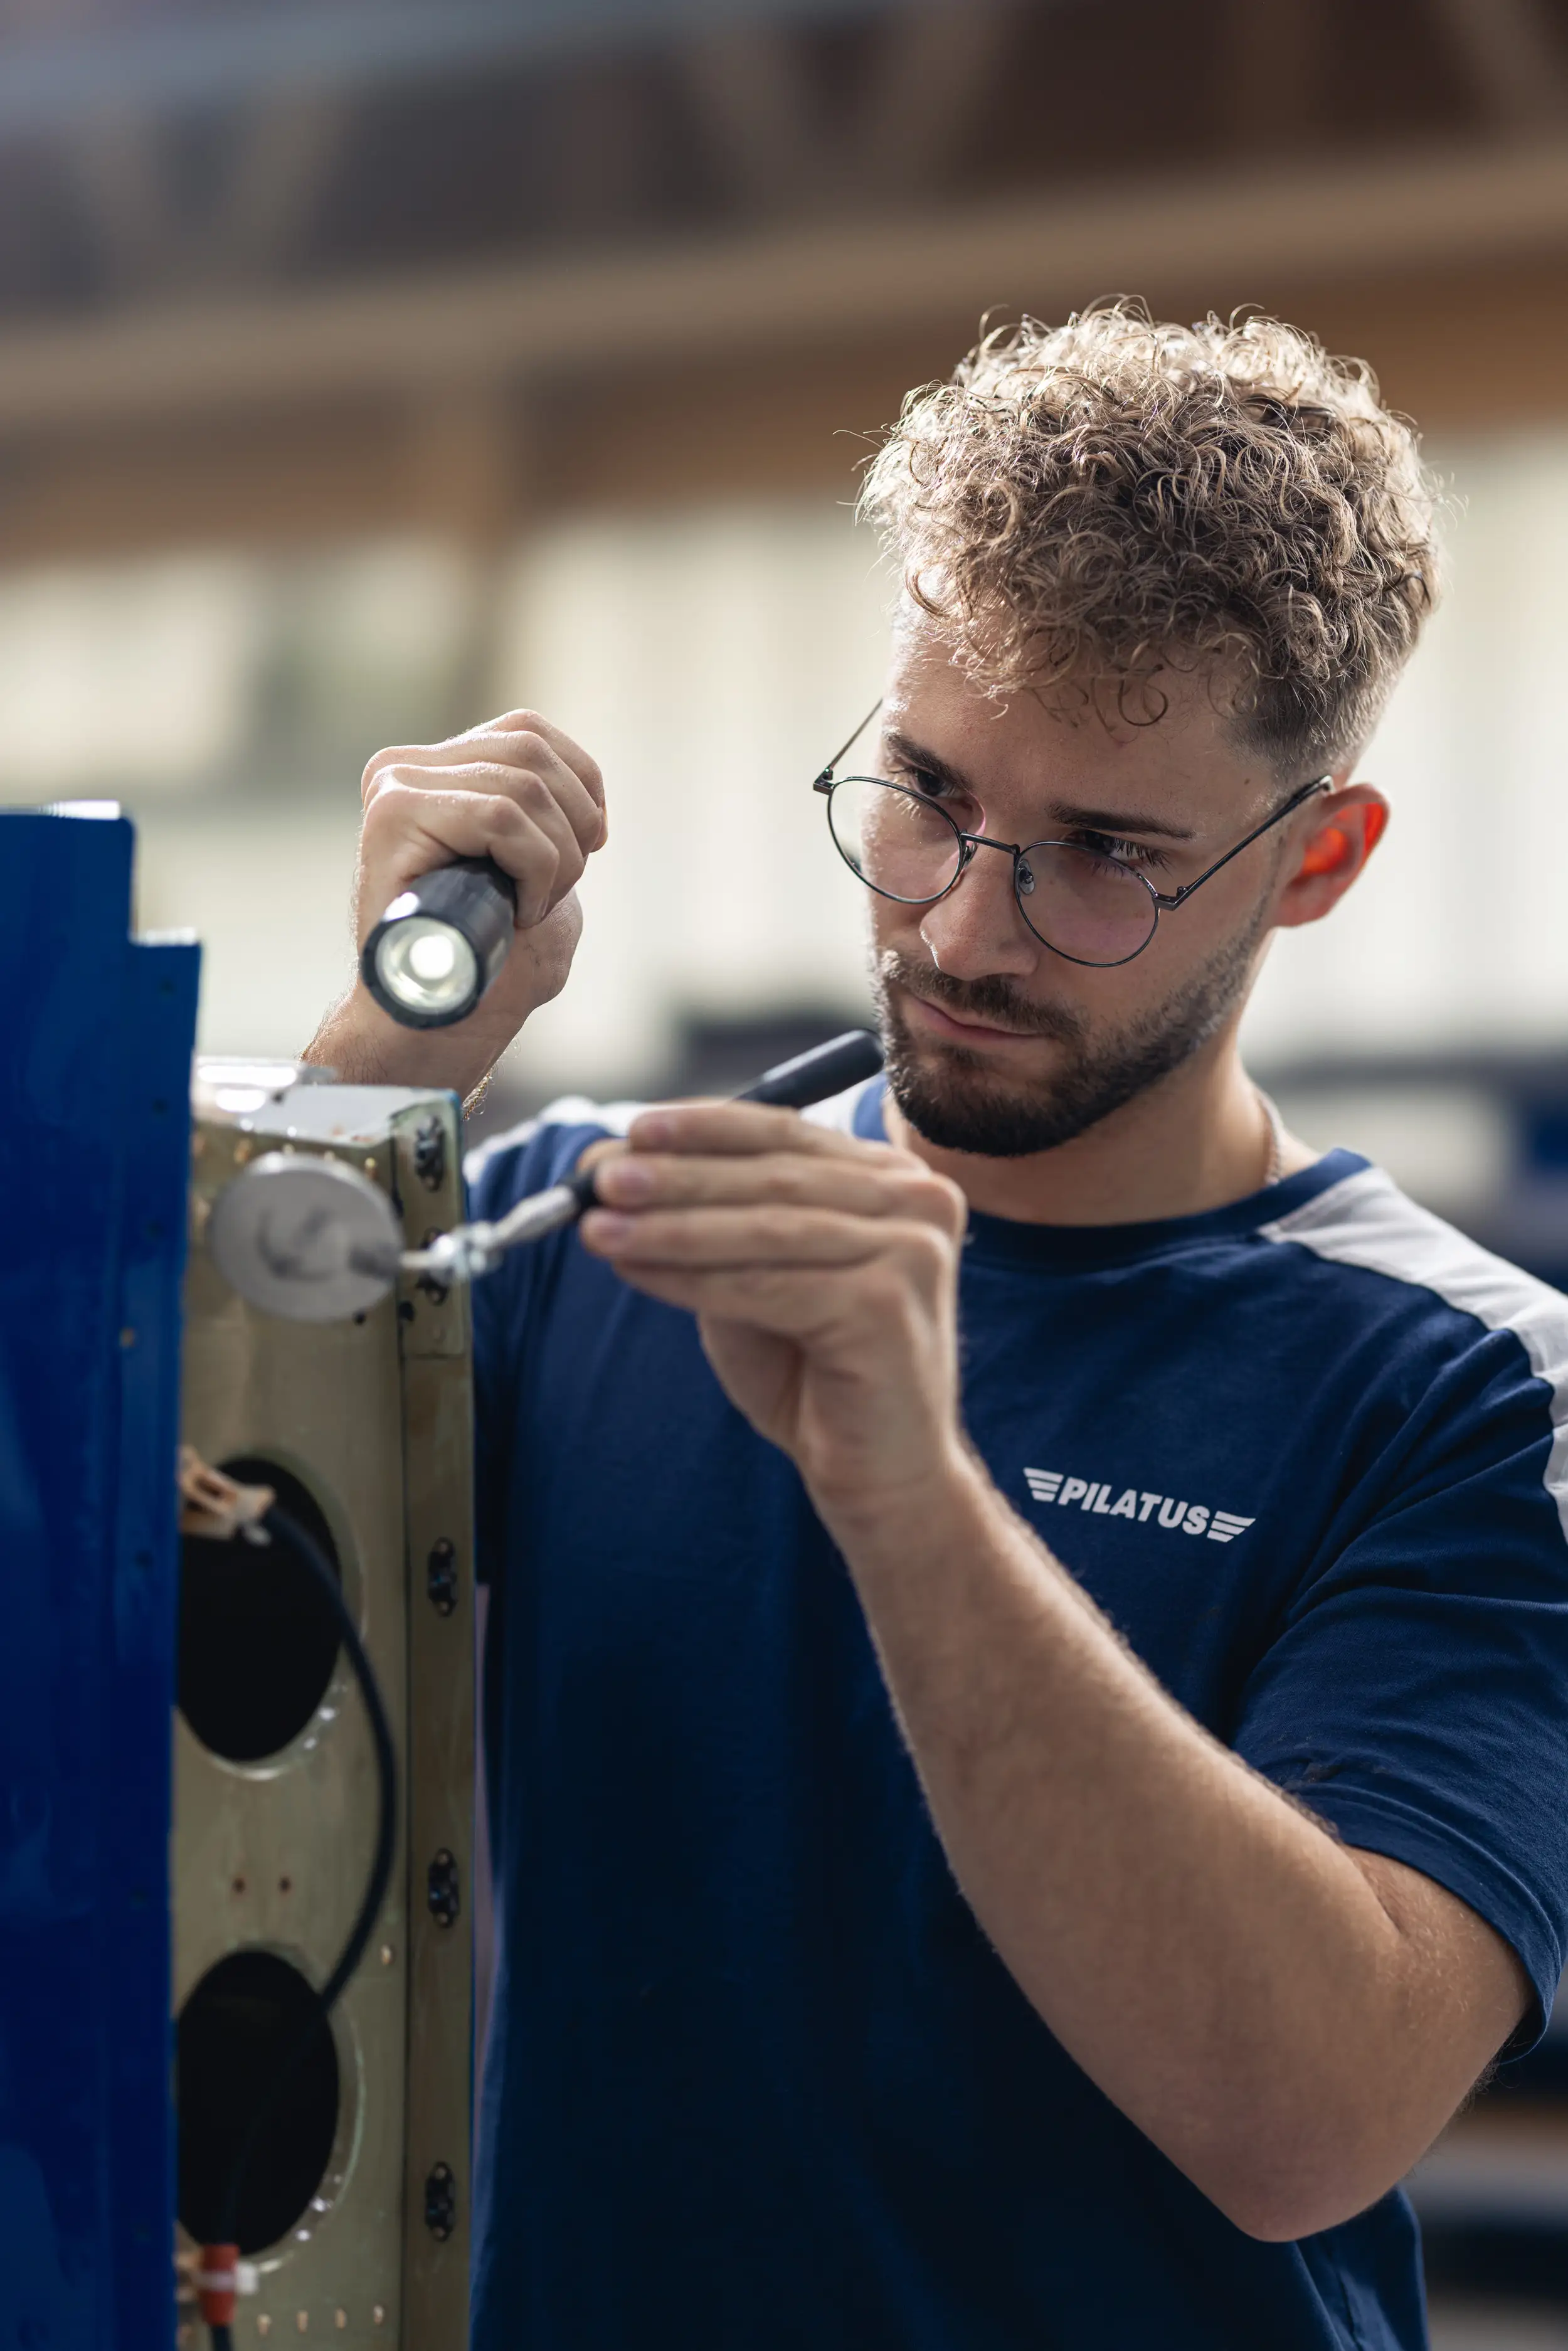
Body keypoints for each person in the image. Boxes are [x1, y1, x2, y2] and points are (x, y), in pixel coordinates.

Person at [306, 305, 1568, 2350]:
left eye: (1106, 857)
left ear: (1313, 862)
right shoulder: (587, 1225)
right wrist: (384, 1053)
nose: (965, 926)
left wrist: (912, 1488)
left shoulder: (1462, 1390)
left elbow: (1311, 2116)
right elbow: (140, 1559)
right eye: (924, 793)